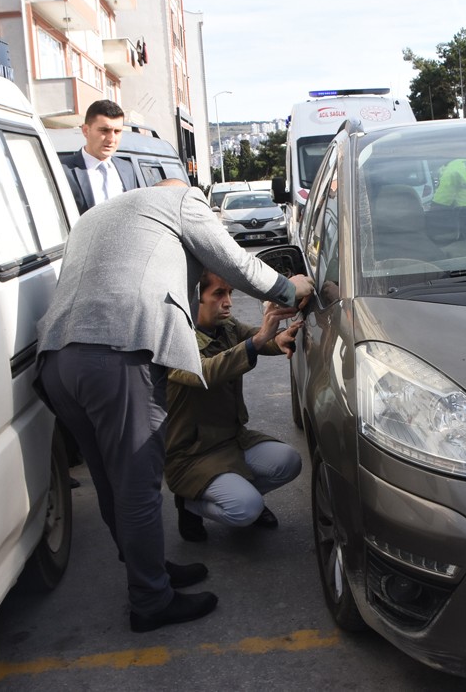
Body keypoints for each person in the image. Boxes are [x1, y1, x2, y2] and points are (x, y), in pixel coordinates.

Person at [35, 179, 314, 633]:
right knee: (138, 490)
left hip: (57, 359)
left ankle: (148, 571)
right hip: (118, 355)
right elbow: (235, 261)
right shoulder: (181, 200)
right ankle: (150, 600)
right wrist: (288, 288)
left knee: (110, 482)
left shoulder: (96, 216)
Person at [164, 272, 303, 542]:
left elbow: (256, 337)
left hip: (232, 440)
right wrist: (260, 340)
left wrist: (279, 339)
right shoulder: (173, 340)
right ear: (194, 298)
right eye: (218, 294)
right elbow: (205, 372)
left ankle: (244, 494)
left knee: (289, 462)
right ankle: (189, 503)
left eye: (229, 293)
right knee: (245, 509)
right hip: (192, 455)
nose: (228, 302)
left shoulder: (225, 326)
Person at [60, 100, 138, 212]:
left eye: (117, 131)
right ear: (86, 131)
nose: (111, 139)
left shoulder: (127, 168)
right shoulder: (63, 170)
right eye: (104, 130)